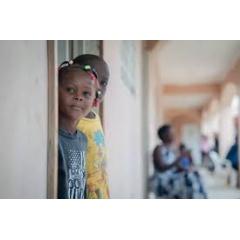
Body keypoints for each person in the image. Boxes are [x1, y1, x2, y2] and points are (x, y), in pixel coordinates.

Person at [58, 60, 99, 199]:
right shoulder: (52, 138)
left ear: (94, 100)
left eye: (86, 93)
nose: (78, 97)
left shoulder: (82, 139)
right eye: (70, 89)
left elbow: (82, 184)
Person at [73, 54, 110, 199]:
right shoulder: (73, 121)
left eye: (104, 82)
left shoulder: (96, 119)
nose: (98, 87)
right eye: (92, 77)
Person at [151, 124, 207, 199]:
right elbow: (161, 168)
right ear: (163, 135)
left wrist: (187, 166)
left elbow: (177, 168)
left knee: (194, 174)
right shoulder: (159, 149)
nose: (173, 135)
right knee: (188, 180)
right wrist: (179, 159)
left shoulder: (172, 149)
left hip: (172, 177)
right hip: (162, 180)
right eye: (171, 133)